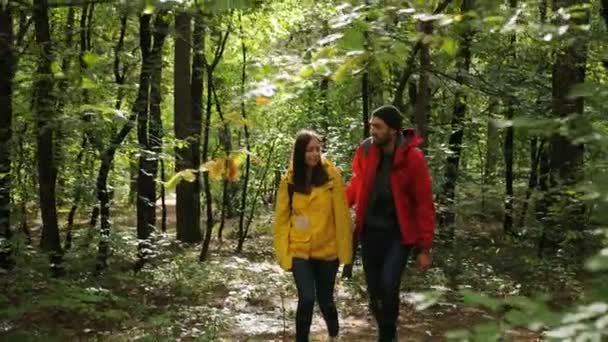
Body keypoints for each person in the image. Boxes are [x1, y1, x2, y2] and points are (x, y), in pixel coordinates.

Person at [346, 105, 435, 342]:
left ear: (393, 130)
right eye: (371, 126)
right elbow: (357, 182)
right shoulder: (365, 150)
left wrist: (424, 248)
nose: (373, 131)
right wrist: (338, 203)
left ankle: (387, 336)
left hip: (398, 235)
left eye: (378, 127)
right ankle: (388, 331)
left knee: (388, 284)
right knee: (374, 290)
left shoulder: (413, 158)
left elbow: (424, 203)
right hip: (370, 232)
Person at [273, 129, 353, 342]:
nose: (315, 154)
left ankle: (334, 335)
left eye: (318, 149)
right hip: (300, 249)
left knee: (325, 300)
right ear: (300, 152)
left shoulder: (331, 175)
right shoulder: (289, 180)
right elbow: (281, 219)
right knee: (307, 299)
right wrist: (283, 254)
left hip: (328, 250)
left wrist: (346, 254)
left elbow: (342, 215)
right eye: (310, 150)